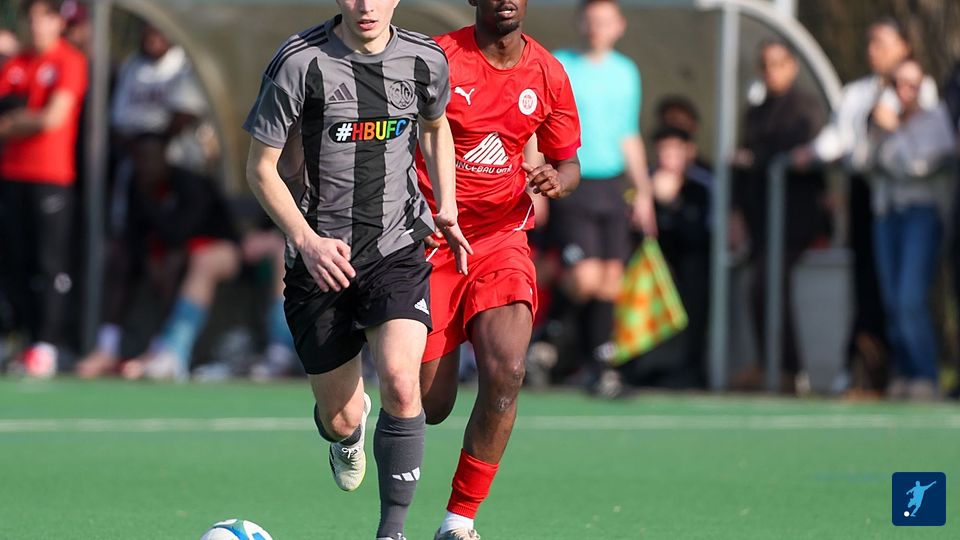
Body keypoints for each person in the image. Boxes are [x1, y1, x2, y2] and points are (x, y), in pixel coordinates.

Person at [243, 0, 469, 537]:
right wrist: (306, 241)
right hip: (319, 260)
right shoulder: (299, 62)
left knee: (402, 382)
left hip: (396, 248)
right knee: (339, 418)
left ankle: (392, 530)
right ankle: (346, 433)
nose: (366, 6)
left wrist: (448, 205)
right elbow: (259, 169)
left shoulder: (425, 59)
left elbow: (436, 128)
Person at [414, 0, 581, 536]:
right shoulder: (439, 58)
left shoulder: (548, 73)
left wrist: (558, 180)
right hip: (432, 242)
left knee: (507, 370)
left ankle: (458, 520)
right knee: (429, 405)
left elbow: (569, 161)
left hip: (501, 240)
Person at [792, 17, 938, 395]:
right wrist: (808, 153)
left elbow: (922, 155)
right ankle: (889, 374)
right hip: (874, 204)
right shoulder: (857, 93)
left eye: (883, 43)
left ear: (904, 47)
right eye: (871, 42)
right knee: (883, 294)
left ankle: (921, 374)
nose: (873, 50)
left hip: (915, 207)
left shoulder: (923, 91)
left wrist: (888, 133)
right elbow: (840, 139)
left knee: (909, 296)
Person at [549, 0, 655, 396]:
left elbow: (628, 134)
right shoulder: (561, 64)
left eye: (605, 21)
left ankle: (600, 367)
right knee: (585, 278)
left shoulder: (626, 72)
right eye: (591, 20)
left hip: (612, 185)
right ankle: (549, 332)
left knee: (611, 281)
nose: (597, 28)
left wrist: (643, 193)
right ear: (580, 22)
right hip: (573, 179)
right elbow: (538, 124)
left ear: (619, 26)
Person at [730, 39, 828, 393]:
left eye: (778, 63)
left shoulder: (806, 107)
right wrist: (736, 214)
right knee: (758, 288)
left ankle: (790, 369)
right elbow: (743, 161)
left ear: (793, 66)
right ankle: (770, 363)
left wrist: (758, 159)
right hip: (761, 219)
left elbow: (797, 151)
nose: (771, 72)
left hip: (795, 220)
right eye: (766, 64)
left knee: (768, 284)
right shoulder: (756, 112)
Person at [0, 0, 87, 376]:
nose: (37, 26)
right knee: (14, 262)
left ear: (58, 23)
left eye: (45, 18)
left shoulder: (69, 61)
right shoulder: (16, 63)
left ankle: (47, 344)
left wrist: (12, 123)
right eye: (32, 19)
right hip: (11, 174)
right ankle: (22, 337)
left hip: (50, 177)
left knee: (50, 263)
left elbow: (52, 117)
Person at [867, 59, 955, 401]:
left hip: (921, 215)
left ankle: (925, 374)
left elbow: (916, 166)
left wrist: (896, 133)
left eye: (912, 84)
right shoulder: (882, 122)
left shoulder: (935, 120)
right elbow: (866, 160)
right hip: (888, 214)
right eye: (898, 84)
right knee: (892, 300)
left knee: (910, 298)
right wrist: (879, 130)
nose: (905, 91)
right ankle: (904, 371)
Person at [642, 126, 710, 388]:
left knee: (697, 275)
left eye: (674, 151)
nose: (668, 157)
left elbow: (699, 236)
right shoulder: (643, 185)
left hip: (688, 265)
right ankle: (632, 366)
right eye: (663, 150)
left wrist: (673, 204)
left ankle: (691, 367)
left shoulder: (700, 187)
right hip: (653, 267)